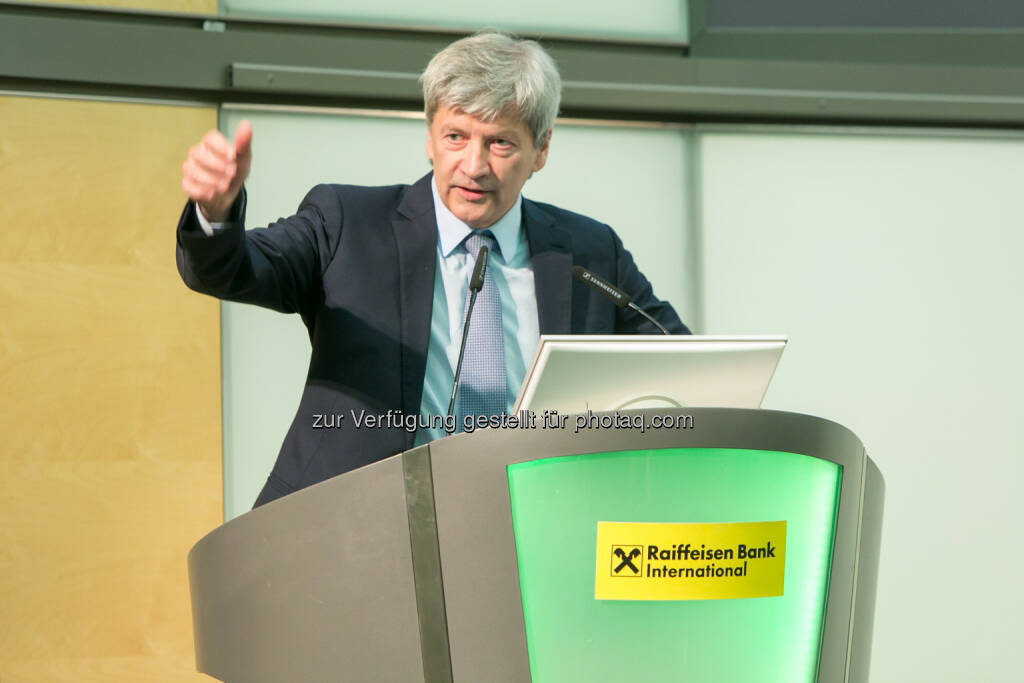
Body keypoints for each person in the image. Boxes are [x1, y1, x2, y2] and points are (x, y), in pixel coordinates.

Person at [176, 32, 689, 507]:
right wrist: (215, 215)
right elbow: (237, 269)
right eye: (455, 137)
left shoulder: (589, 251)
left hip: (533, 522)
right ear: (429, 138)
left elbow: (680, 363)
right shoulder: (348, 223)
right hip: (353, 525)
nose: (474, 165)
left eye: (500, 143)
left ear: (541, 150)